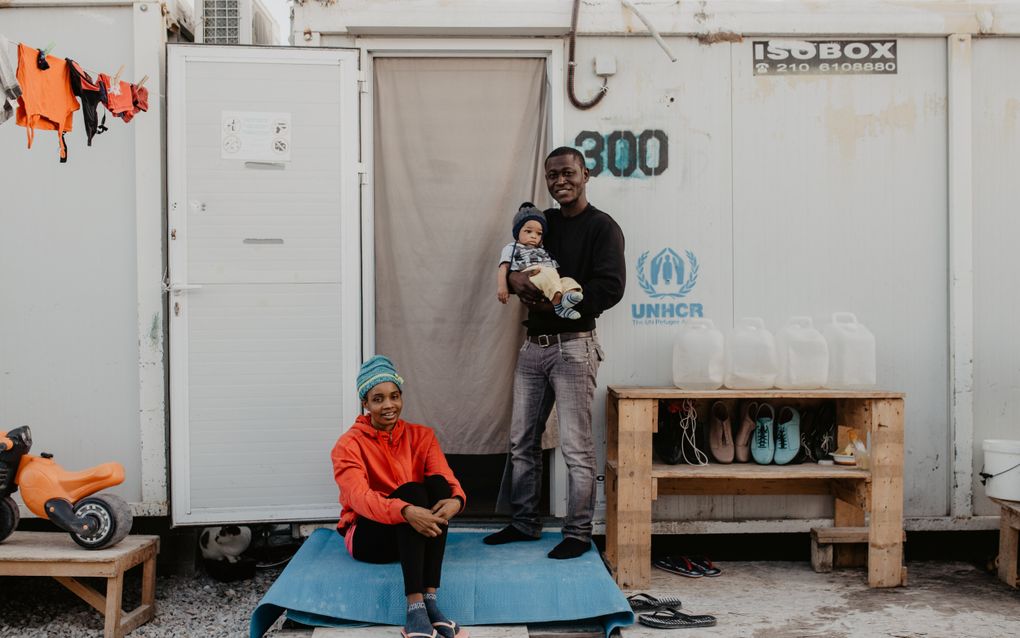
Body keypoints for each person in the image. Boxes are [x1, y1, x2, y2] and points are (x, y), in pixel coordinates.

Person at [484, 146, 626, 559]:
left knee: (577, 448)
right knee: (521, 441)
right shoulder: (541, 223)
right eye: (552, 176)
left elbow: (611, 288)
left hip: (574, 349)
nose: (560, 181)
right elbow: (513, 256)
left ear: (585, 174)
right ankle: (524, 523)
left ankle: (578, 534)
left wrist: (557, 306)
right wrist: (512, 278)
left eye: (568, 173)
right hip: (533, 348)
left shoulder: (603, 227)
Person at [332, 355, 469, 638]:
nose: (388, 406)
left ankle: (430, 603)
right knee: (413, 492)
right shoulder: (348, 445)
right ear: (365, 404)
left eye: (394, 396)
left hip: (412, 536)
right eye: (378, 399)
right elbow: (359, 498)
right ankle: (414, 608)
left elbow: (447, 478)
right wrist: (405, 510)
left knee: (439, 487)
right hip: (369, 537)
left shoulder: (422, 436)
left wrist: (457, 500)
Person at [497, 203, 584, 319]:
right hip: (533, 275)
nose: (534, 236)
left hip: (550, 277)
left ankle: (568, 297)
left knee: (567, 281)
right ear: (517, 232)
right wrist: (502, 287)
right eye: (528, 231)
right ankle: (558, 306)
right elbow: (504, 268)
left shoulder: (541, 249)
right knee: (546, 275)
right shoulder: (512, 248)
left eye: (539, 233)